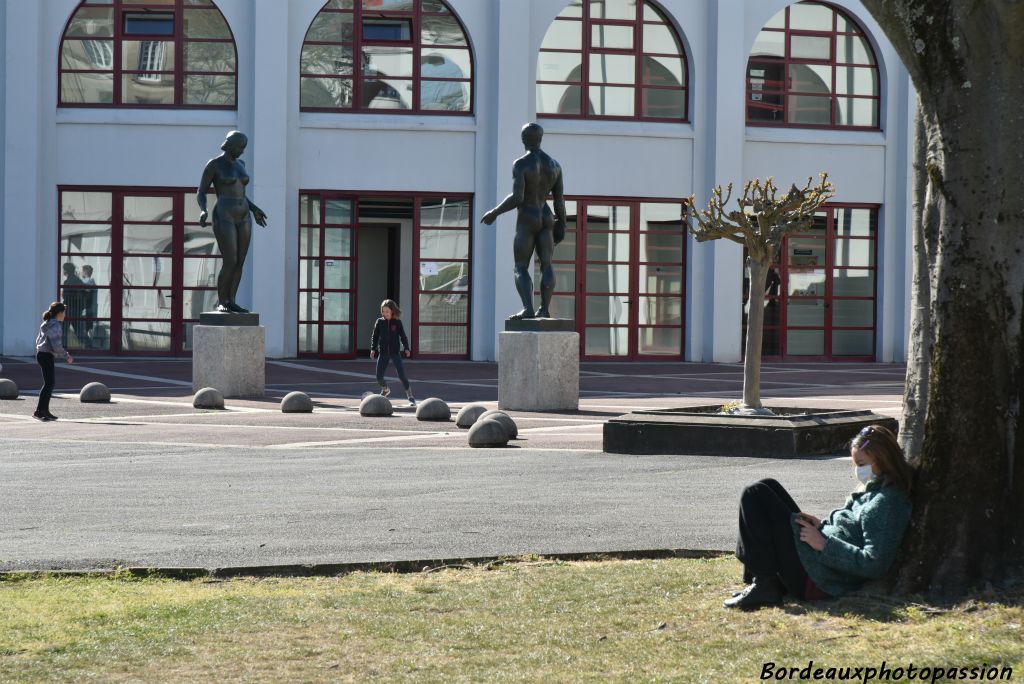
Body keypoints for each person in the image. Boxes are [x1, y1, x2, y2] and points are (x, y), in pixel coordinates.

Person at [724, 424, 914, 609]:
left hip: (817, 578)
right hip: (815, 560)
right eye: (855, 464)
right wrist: (821, 526)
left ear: (883, 460)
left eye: (862, 464)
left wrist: (823, 544)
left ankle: (764, 585)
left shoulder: (887, 502)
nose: (858, 470)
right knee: (769, 485)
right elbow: (851, 529)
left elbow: (874, 564)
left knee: (755, 493)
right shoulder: (874, 488)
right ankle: (767, 581)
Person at [481, 122, 566, 320]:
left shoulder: (521, 164)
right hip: (546, 216)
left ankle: (528, 308)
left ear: (523, 139)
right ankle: (544, 309)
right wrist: (562, 223)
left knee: (520, 266)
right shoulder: (555, 165)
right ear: (540, 138)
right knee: (547, 264)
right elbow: (560, 200)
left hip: (528, 217)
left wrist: (494, 212)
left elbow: (518, 198)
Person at [197, 130, 268, 313]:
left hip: (244, 214)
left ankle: (231, 300)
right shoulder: (214, 165)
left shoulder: (241, 164)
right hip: (224, 214)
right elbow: (201, 192)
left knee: (240, 261)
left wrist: (254, 209)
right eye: (240, 147)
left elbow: (241, 194)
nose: (242, 151)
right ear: (230, 145)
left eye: (244, 147)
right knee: (230, 259)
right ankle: (222, 301)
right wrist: (203, 210)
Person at [369, 299, 415, 406]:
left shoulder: (397, 322)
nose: (385, 314)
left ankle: (410, 396)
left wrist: (406, 348)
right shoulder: (379, 322)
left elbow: (403, 337)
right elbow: (374, 336)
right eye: (383, 311)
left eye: (387, 311)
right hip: (383, 353)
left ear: (392, 311)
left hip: (395, 353)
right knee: (379, 376)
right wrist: (373, 349)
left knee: (401, 374)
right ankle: (385, 389)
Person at [34, 301, 74, 421]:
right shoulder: (55, 325)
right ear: (59, 313)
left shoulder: (46, 323)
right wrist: (67, 356)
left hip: (42, 354)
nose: (64, 315)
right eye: (64, 313)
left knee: (49, 383)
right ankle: (39, 411)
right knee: (49, 384)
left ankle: (44, 410)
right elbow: (56, 345)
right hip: (46, 355)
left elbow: (38, 340)